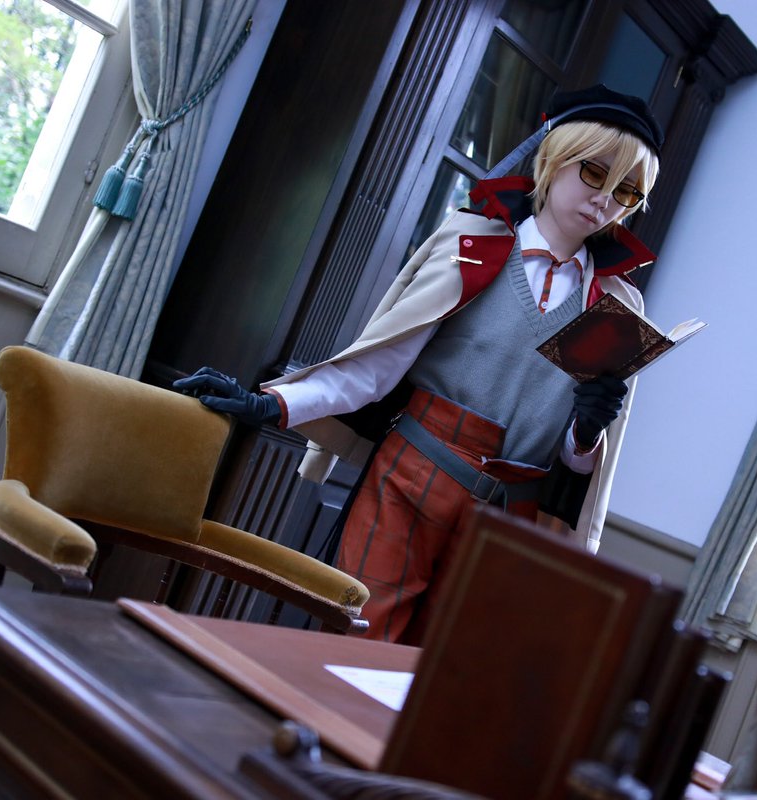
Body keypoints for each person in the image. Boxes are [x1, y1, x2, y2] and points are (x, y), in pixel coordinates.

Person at [175, 84, 663, 644]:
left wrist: (587, 432)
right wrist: (269, 403)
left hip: (509, 517)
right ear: (553, 159)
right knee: (360, 644)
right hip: (413, 474)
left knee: (437, 670)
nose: (605, 201)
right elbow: (379, 363)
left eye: (626, 191)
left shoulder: (619, 305)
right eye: (594, 173)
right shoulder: (470, 241)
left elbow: (575, 461)